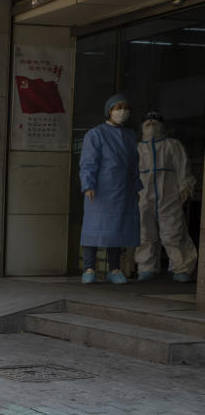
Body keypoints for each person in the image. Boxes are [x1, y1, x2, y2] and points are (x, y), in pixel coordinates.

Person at [78, 94, 142, 284]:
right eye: (117, 107)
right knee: (94, 229)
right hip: (100, 190)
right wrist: (88, 185)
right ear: (109, 111)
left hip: (123, 189)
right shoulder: (95, 134)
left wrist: (136, 186)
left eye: (125, 107)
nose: (122, 111)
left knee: (117, 230)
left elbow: (134, 164)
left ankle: (114, 269)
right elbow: (88, 162)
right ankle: (89, 268)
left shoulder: (130, 135)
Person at [136, 112, 198, 283]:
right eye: (147, 121)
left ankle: (181, 267)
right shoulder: (138, 148)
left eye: (155, 121)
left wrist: (185, 187)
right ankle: (146, 267)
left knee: (173, 232)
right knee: (144, 233)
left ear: (162, 125)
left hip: (169, 195)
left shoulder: (173, 145)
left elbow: (183, 167)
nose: (151, 123)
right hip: (143, 196)